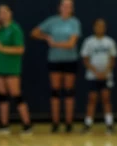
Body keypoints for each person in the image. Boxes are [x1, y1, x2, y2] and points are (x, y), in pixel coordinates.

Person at [31, 0, 81, 133]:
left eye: (69, 6)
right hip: (54, 60)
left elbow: (71, 43)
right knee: (55, 91)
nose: (66, 8)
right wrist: (46, 37)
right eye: (64, 5)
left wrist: (55, 44)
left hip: (70, 60)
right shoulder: (52, 21)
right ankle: (55, 122)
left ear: (72, 9)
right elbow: (34, 32)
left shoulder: (74, 22)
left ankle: (69, 123)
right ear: (59, 7)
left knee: (69, 91)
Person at [0, 4, 32, 135]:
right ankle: (4, 124)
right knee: (2, 96)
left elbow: (20, 49)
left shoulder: (15, 29)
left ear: (10, 13)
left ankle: (27, 124)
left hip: (12, 68)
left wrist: (3, 48)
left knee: (16, 95)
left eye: (4, 12)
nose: (2, 14)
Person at [80, 18, 117, 134]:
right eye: (97, 26)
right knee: (92, 99)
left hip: (106, 76)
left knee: (106, 99)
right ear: (94, 27)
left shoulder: (110, 42)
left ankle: (109, 123)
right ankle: (88, 123)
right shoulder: (89, 42)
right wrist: (96, 72)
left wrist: (105, 72)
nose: (100, 28)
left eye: (102, 26)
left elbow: (112, 59)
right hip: (93, 76)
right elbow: (85, 59)